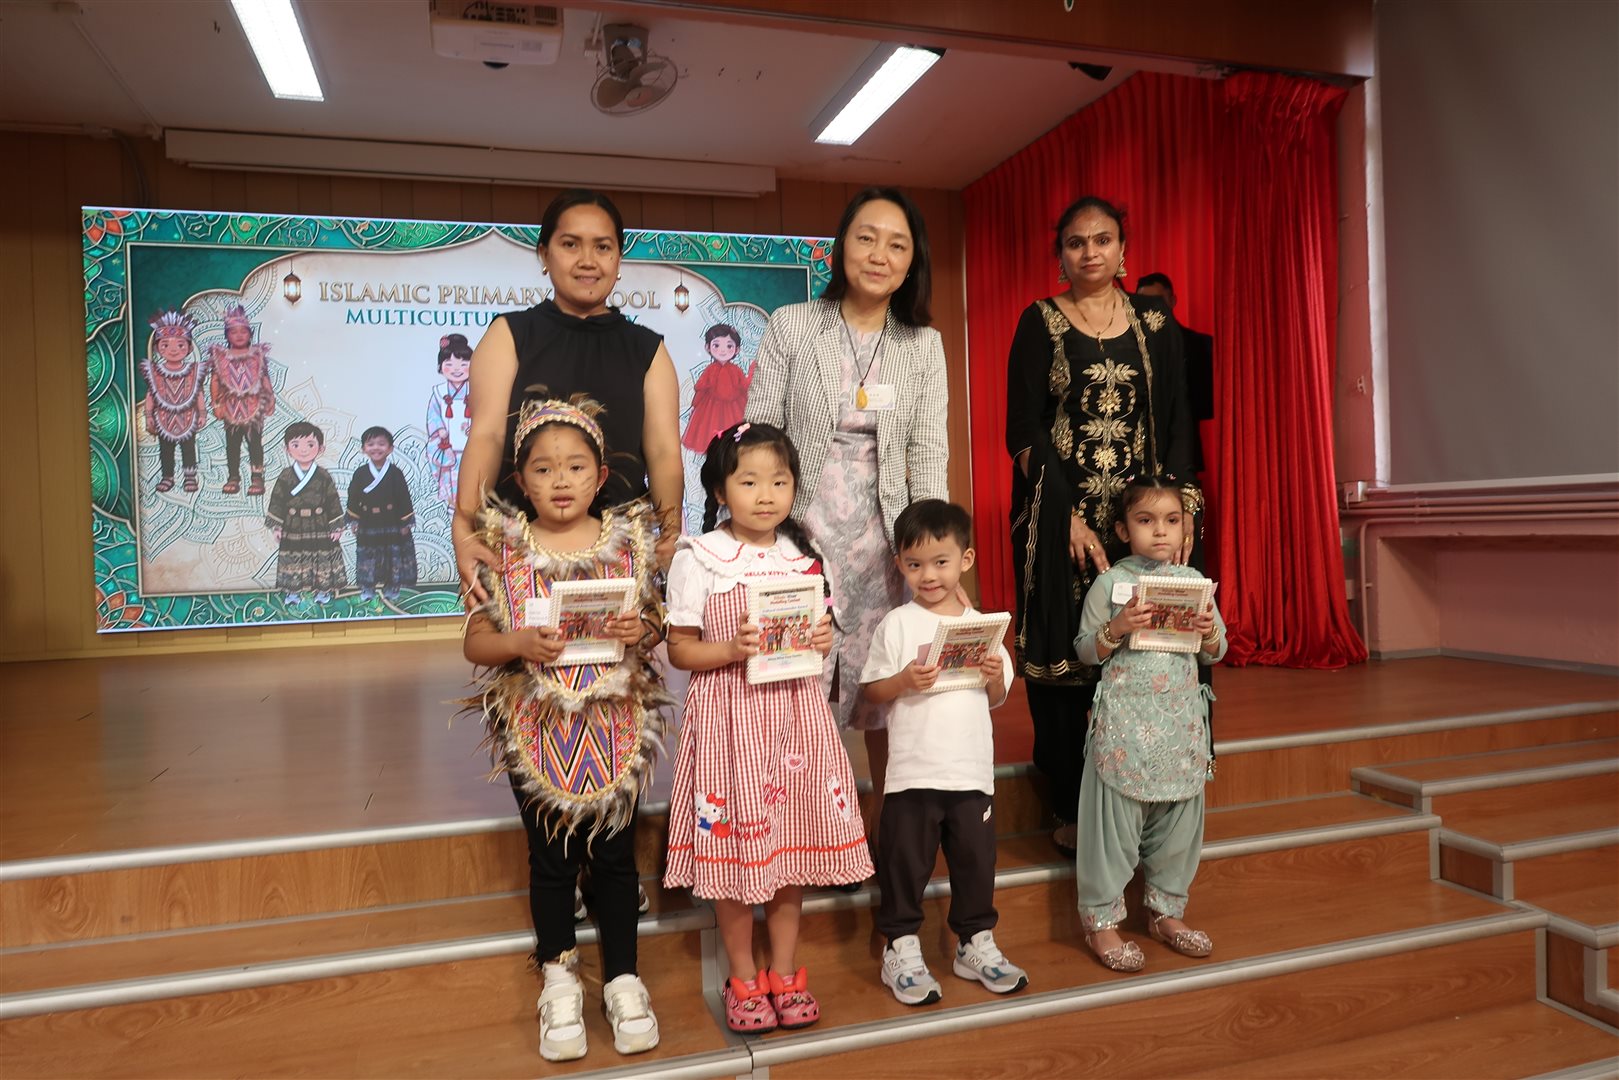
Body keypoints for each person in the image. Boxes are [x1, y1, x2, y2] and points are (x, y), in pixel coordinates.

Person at [461, 395, 670, 1062]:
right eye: (543, 468)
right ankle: (558, 978)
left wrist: (642, 630)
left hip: (612, 725)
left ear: (600, 476)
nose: (560, 480)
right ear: (520, 481)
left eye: (576, 467)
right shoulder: (503, 550)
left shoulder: (629, 543)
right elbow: (474, 640)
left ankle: (624, 979)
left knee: (613, 858)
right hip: (538, 725)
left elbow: (655, 625)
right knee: (550, 859)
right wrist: (517, 641)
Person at [1003, 196, 1202, 855]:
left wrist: (1182, 506)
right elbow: (1023, 430)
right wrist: (1060, 514)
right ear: (1059, 255)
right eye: (1075, 242)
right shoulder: (1039, 321)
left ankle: (1158, 792)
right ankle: (1069, 803)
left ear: (1122, 250)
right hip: (1058, 516)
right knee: (1068, 659)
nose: (1089, 251)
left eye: (1102, 239)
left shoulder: (1155, 321)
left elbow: (1176, 416)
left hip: (1144, 518)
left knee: (1152, 648)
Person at [746, 186, 950, 820]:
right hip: (800, 535)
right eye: (866, 238)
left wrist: (935, 557)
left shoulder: (923, 345)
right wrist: (758, 536)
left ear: (912, 262)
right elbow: (758, 433)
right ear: (842, 247)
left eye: (897, 245)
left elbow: (928, 455)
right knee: (799, 696)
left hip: (886, 547)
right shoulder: (793, 325)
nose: (879, 254)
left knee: (891, 699)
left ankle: (894, 842)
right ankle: (799, 834)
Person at [662, 422, 873, 1035]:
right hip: (728, 725)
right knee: (734, 856)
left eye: (779, 482)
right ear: (720, 490)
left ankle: (784, 973)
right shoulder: (699, 558)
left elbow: (812, 641)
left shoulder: (803, 558)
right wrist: (730, 649)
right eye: (749, 481)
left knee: (790, 850)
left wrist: (822, 639)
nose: (766, 495)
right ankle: (742, 978)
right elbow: (680, 649)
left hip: (795, 725)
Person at [454, 189, 683, 604]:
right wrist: (464, 527)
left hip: (620, 559)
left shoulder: (649, 350)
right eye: (570, 244)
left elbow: (664, 452)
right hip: (519, 554)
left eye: (603, 247)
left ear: (618, 258)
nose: (588, 260)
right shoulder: (509, 335)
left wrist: (671, 532)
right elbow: (486, 435)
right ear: (544, 254)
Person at [860, 500, 1027, 1006]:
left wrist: (995, 675)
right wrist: (904, 681)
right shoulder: (897, 624)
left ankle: (974, 943)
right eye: (914, 564)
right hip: (911, 774)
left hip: (970, 773)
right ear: (899, 565)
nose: (928, 575)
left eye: (940, 562)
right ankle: (901, 948)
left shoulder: (983, 627)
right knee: (905, 863)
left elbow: (997, 695)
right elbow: (873, 691)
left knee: (976, 863)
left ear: (965, 560)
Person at [1072, 474, 1226, 972]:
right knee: (1114, 825)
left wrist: (1207, 633)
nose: (1160, 531)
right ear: (1123, 529)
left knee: (1179, 821)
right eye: (1146, 520)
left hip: (1180, 725)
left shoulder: (1194, 584)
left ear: (1185, 528)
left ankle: (1166, 913)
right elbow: (1084, 650)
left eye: (1171, 520)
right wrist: (1117, 627)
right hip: (1126, 725)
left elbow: (1218, 649)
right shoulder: (1110, 584)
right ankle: (1102, 922)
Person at [1136, 272, 1213, 471]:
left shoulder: (1198, 345)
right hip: (1137, 450)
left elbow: (1203, 405)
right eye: (1143, 302)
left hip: (1181, 447)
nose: (1151, 308)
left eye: (1158, 300)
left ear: (1172, 301)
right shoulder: (1126, 346)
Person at [265, 421, 345, 606]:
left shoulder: (323, 475)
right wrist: (277, 526)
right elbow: (277, 501)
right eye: (296, 445)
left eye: (310, 444)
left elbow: (333, 500)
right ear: (287, 449)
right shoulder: (286, 475)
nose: (303, 450)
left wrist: (336, 526)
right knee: (294, 559)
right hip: (293, 524)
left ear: (321, 448)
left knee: (321, 558)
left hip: (320, 524)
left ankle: (323, 591)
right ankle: (293, 592)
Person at [210, 304, 275, 496]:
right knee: (232, 444)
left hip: (254, 406)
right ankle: (233, 477)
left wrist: (271, 398)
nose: (239, 335)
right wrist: (216, 403)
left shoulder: (257, 355)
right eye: (234, 332)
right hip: (230, 407)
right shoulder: (220, 357)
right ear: (227, 335)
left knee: (255, 443)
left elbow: (264, 378)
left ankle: (257, 477)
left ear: (250, 334)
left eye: (243, 331)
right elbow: (215, 381)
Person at [346, 425, 417, 602]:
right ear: (363, 449)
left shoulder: (395, 473)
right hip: (368, 521)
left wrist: (405, 522)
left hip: (391, 521)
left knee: (392, 556)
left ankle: (392, 587)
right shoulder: (360, 473)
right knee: (368, 556)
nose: (376, 448)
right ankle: (367, 588)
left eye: (381, 444)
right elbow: (353, 497)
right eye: (371, 444)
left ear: (390, 448)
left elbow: (404, 498)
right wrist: (354, 521)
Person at [141, 309, 208, 494]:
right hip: (163, 418)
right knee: (165, 449)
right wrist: (148, 416)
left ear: (189, 348)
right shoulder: (154, 372)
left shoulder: (194, 371)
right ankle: (167, 477)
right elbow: (151, 395)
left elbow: (198, 393)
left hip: (188, 417)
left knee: (189, 448)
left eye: (180, 345)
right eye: (165, 345)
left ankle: (190, 477)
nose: (173, 350)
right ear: (157, 349)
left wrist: (202, 413)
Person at [426, 333, 474, 506]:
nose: (456, 369)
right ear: (440, 367)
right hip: (449, 449)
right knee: (452, 493)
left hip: (473, 447)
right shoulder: (439, 392)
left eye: (463, 364)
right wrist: (439, 430)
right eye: (449, 364)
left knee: (474, 486)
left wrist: (477, 426)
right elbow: (433, 415)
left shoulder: (477, 389)